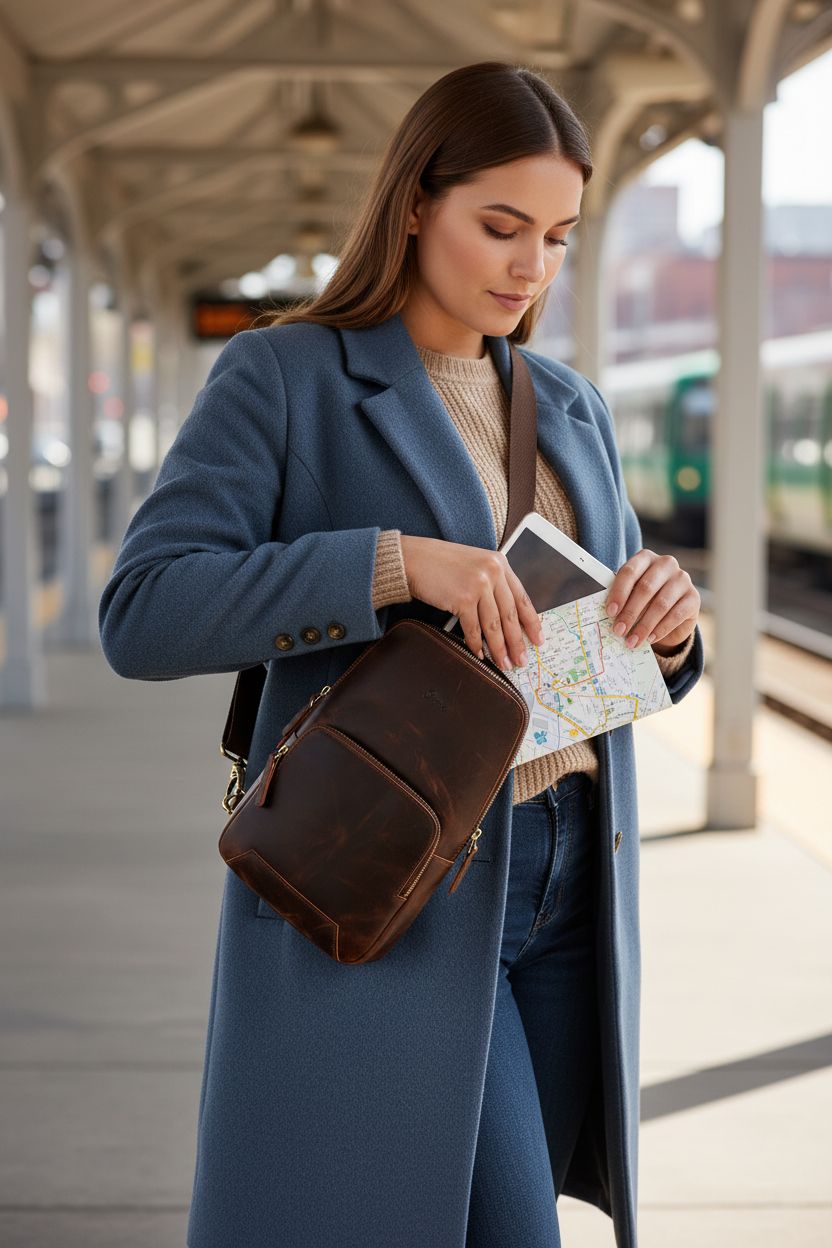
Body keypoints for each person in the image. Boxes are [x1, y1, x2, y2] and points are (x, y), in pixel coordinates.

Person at [99, 60, 703, 1248]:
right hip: (404, 879)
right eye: (500, 226)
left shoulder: (569, 404)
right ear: (414, 203)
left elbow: (612, 656)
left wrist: (672, 629)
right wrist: (391, 566)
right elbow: (145, 611)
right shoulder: (283, 377)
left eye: (558, 237)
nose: (529, 266)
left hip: (573, 881)